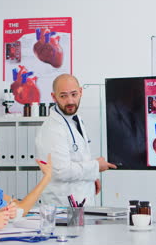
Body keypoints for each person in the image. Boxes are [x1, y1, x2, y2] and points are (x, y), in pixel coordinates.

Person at [35, 74, 117, 206]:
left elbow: (78, 156)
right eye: (63, 96)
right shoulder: (52, 129)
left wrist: (91, 177)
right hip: (62, 205)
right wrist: (96, 166)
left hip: (81, 201)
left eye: (74, 94)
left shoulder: (74, 119)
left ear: (80, 92)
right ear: (53, 97)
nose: (70, 101)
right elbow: (61, 171)